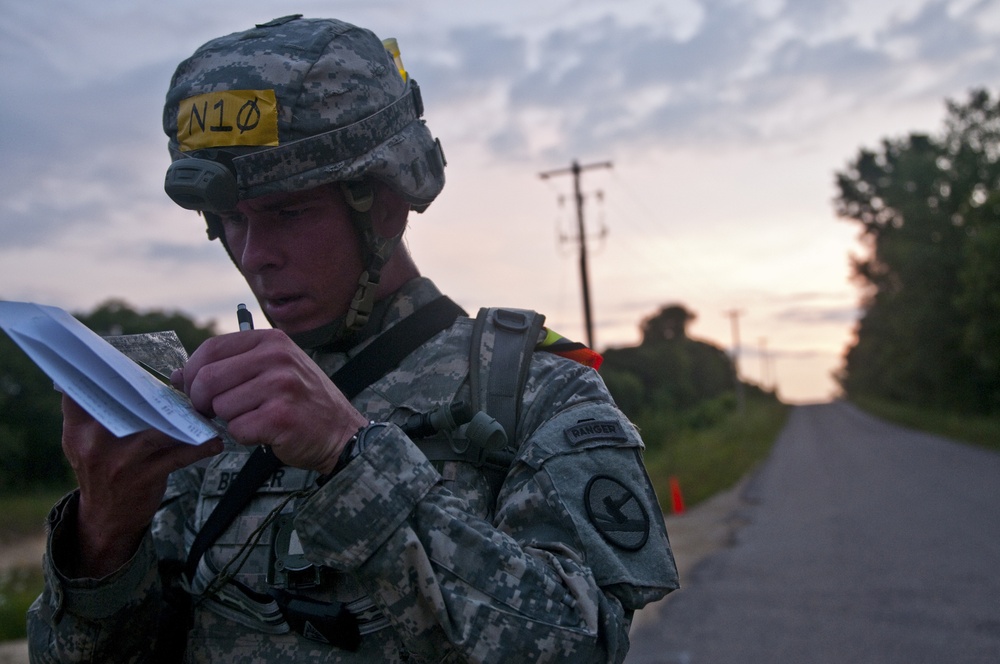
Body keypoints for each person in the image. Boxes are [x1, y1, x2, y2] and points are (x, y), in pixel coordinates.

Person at [27, 15, 678, 663]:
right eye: (229, 219)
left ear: (385, 203)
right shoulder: (210, 409)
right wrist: (102, 541)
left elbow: (584, 642)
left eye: (288, 213)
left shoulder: (535, 391)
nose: (254, 255)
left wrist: (351, 460)